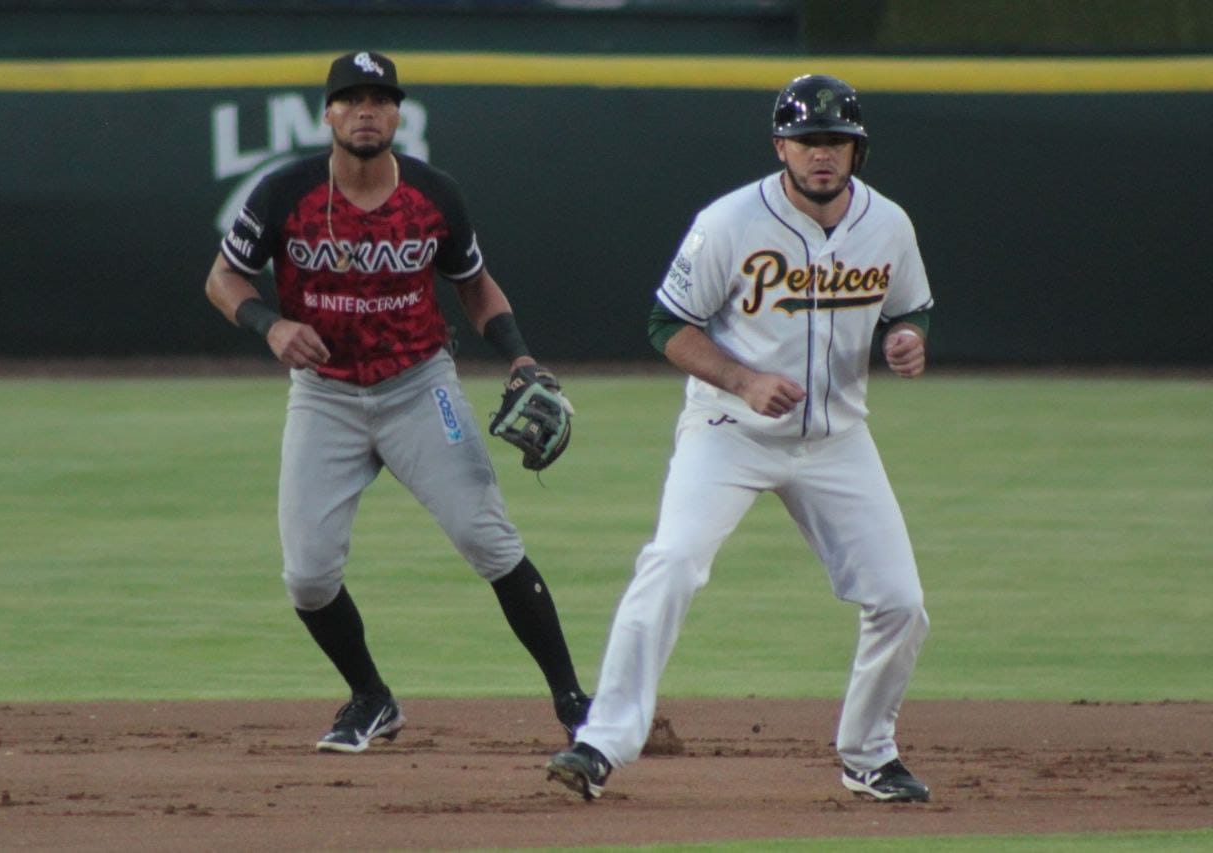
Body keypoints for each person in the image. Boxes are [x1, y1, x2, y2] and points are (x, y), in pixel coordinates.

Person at [546, 73, 934, 802]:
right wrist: (741, 380)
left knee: (901, 602)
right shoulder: (728, 222)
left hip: (836, 437)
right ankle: (602, 739)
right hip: (730, 430)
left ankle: (869, 752)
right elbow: (667, 325)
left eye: (837, 141)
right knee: (672, 560)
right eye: (809, 140)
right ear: (780, 145)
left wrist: (909, 337)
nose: (823, 154)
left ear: (858, 151)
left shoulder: (889, 224)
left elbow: (912, 309)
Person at [205, 50, 590, 752]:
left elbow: (474, 283)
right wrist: (271, 324)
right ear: (327, 114)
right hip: (325, 398)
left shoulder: (432, 194)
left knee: (488, 538)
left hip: (419, 386)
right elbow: (224, 277)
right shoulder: (286, 191)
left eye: (379, 99)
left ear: (397, 114)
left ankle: (575, 702)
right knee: (308, 572)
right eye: (351, 99)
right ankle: (371, 697)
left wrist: (521, 354)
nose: (365, 111)